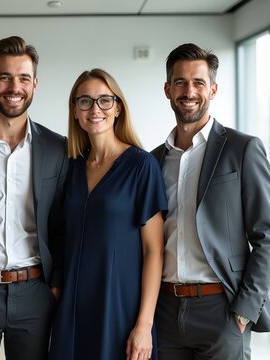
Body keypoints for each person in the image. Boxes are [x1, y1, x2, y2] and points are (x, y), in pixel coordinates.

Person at [151, 43, 270, 359]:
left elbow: (267, 237)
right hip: (165, 311)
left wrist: (244, 312)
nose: (189, 91)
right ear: (167, 89)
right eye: (180, 82)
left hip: (221, 310)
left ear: (214, 89)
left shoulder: (242, 149)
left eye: (198, 82)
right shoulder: (154, 160)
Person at [0, 35, 68, 360]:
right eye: (5, 77)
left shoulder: (56, 148)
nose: (13, 87)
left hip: (34, 288)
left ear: (34, 83)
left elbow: (62, 220)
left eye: (22, 78)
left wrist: (56, 282)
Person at [48, 69, 167, 360]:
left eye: (104, 100)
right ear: (75, 110)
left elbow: (154, 251)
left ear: (117, 107)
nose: (95, 109)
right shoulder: (70, 168)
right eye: (85, 101)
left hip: (120, 308)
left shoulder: (142, 166)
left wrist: (144, 324)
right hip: (73, 308)